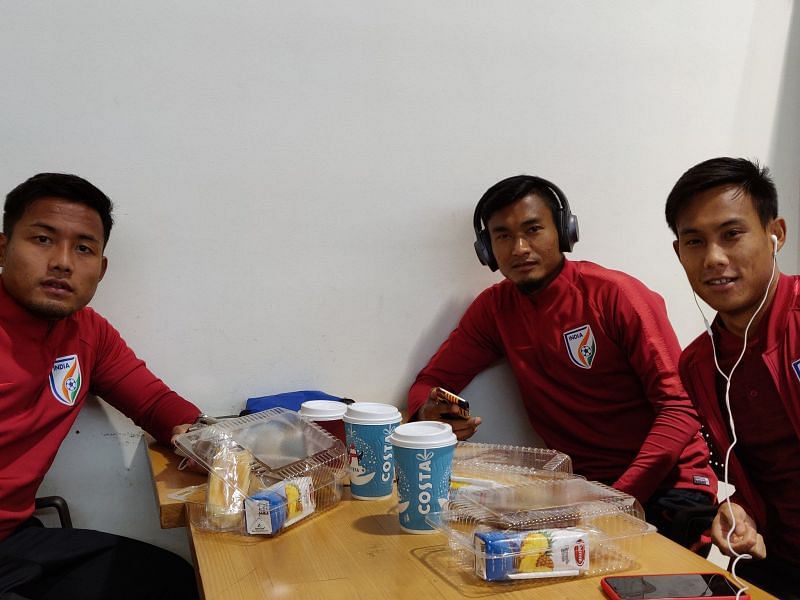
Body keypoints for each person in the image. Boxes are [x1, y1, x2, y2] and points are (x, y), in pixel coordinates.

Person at [408, 174, 717, 547]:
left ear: (564, 231)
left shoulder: (617, 296)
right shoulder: (494, 309)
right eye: (503, 236)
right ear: (487, 250)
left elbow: (680, 408)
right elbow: (429, 382)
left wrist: (615, 498)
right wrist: (426, 418)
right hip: (582, 491)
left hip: (669, 486)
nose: (520, 247)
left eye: (533, 229)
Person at [0, 173, 202, 599]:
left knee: (173, 581)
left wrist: (205, 440)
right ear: (2, 247)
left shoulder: (88, 334)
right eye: (42, 240)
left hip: (14, 540)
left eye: (84, 248)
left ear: (102, 268)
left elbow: (154, 403)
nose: (62, 262)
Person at [666, 157, 800, 597]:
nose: (714, 258)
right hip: (775, 563)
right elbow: (743, 468)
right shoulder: (699, 365)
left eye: (731, 234)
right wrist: (739, 511)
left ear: (775, 234)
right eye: (695, 241)